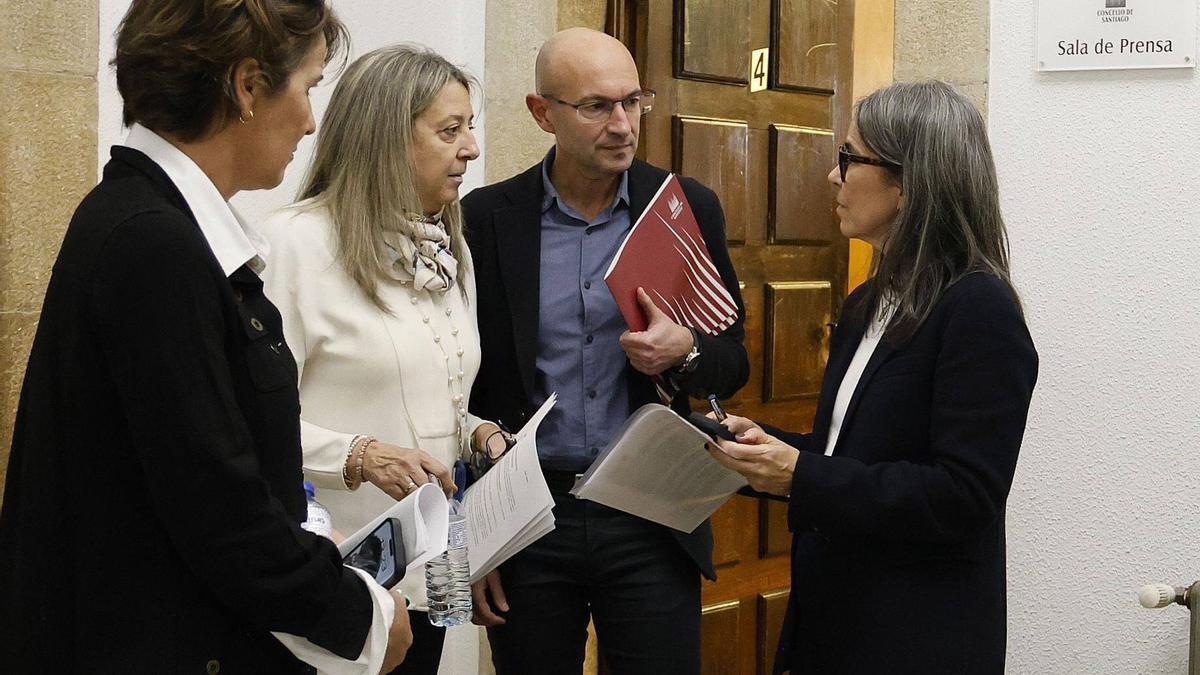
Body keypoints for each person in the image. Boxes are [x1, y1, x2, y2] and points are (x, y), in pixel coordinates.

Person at [0, 2, 413, 673]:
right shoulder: (153, 243)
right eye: (307, 88)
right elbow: (217, 510)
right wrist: (362, 618)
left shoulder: (145, 220)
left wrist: (305, 533)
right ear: (247, 86)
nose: (310, 121)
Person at [707, 80, 1039, 674]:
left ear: (908, 183)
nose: (832, 177)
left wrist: (801, 474)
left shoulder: (979, 308)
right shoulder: (868, 302)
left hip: (916, 636)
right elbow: (851, 455)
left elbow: (964, 496)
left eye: (849, 158)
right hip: (834, 620)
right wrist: (761, 449)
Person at [462, 27, 750, 674]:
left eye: (632, 101)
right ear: (543, 113)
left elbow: (733, 361)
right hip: (529, 515)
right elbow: (463, 387)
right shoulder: (487, 219)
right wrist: (471, 532)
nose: (623, 124)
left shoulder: (683, 207)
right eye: (596, 106)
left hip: (649, 511)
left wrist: (686, 351)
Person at [259, 44, 501, 674]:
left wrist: (478, 432)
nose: (471, 149)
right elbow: (249, 425)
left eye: (470, 127)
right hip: (336, 580)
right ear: (386, 138)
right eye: (450, 130)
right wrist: (359, 455)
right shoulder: (296, 243)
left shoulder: (450, 249)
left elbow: (427, 392)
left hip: (429, 577)